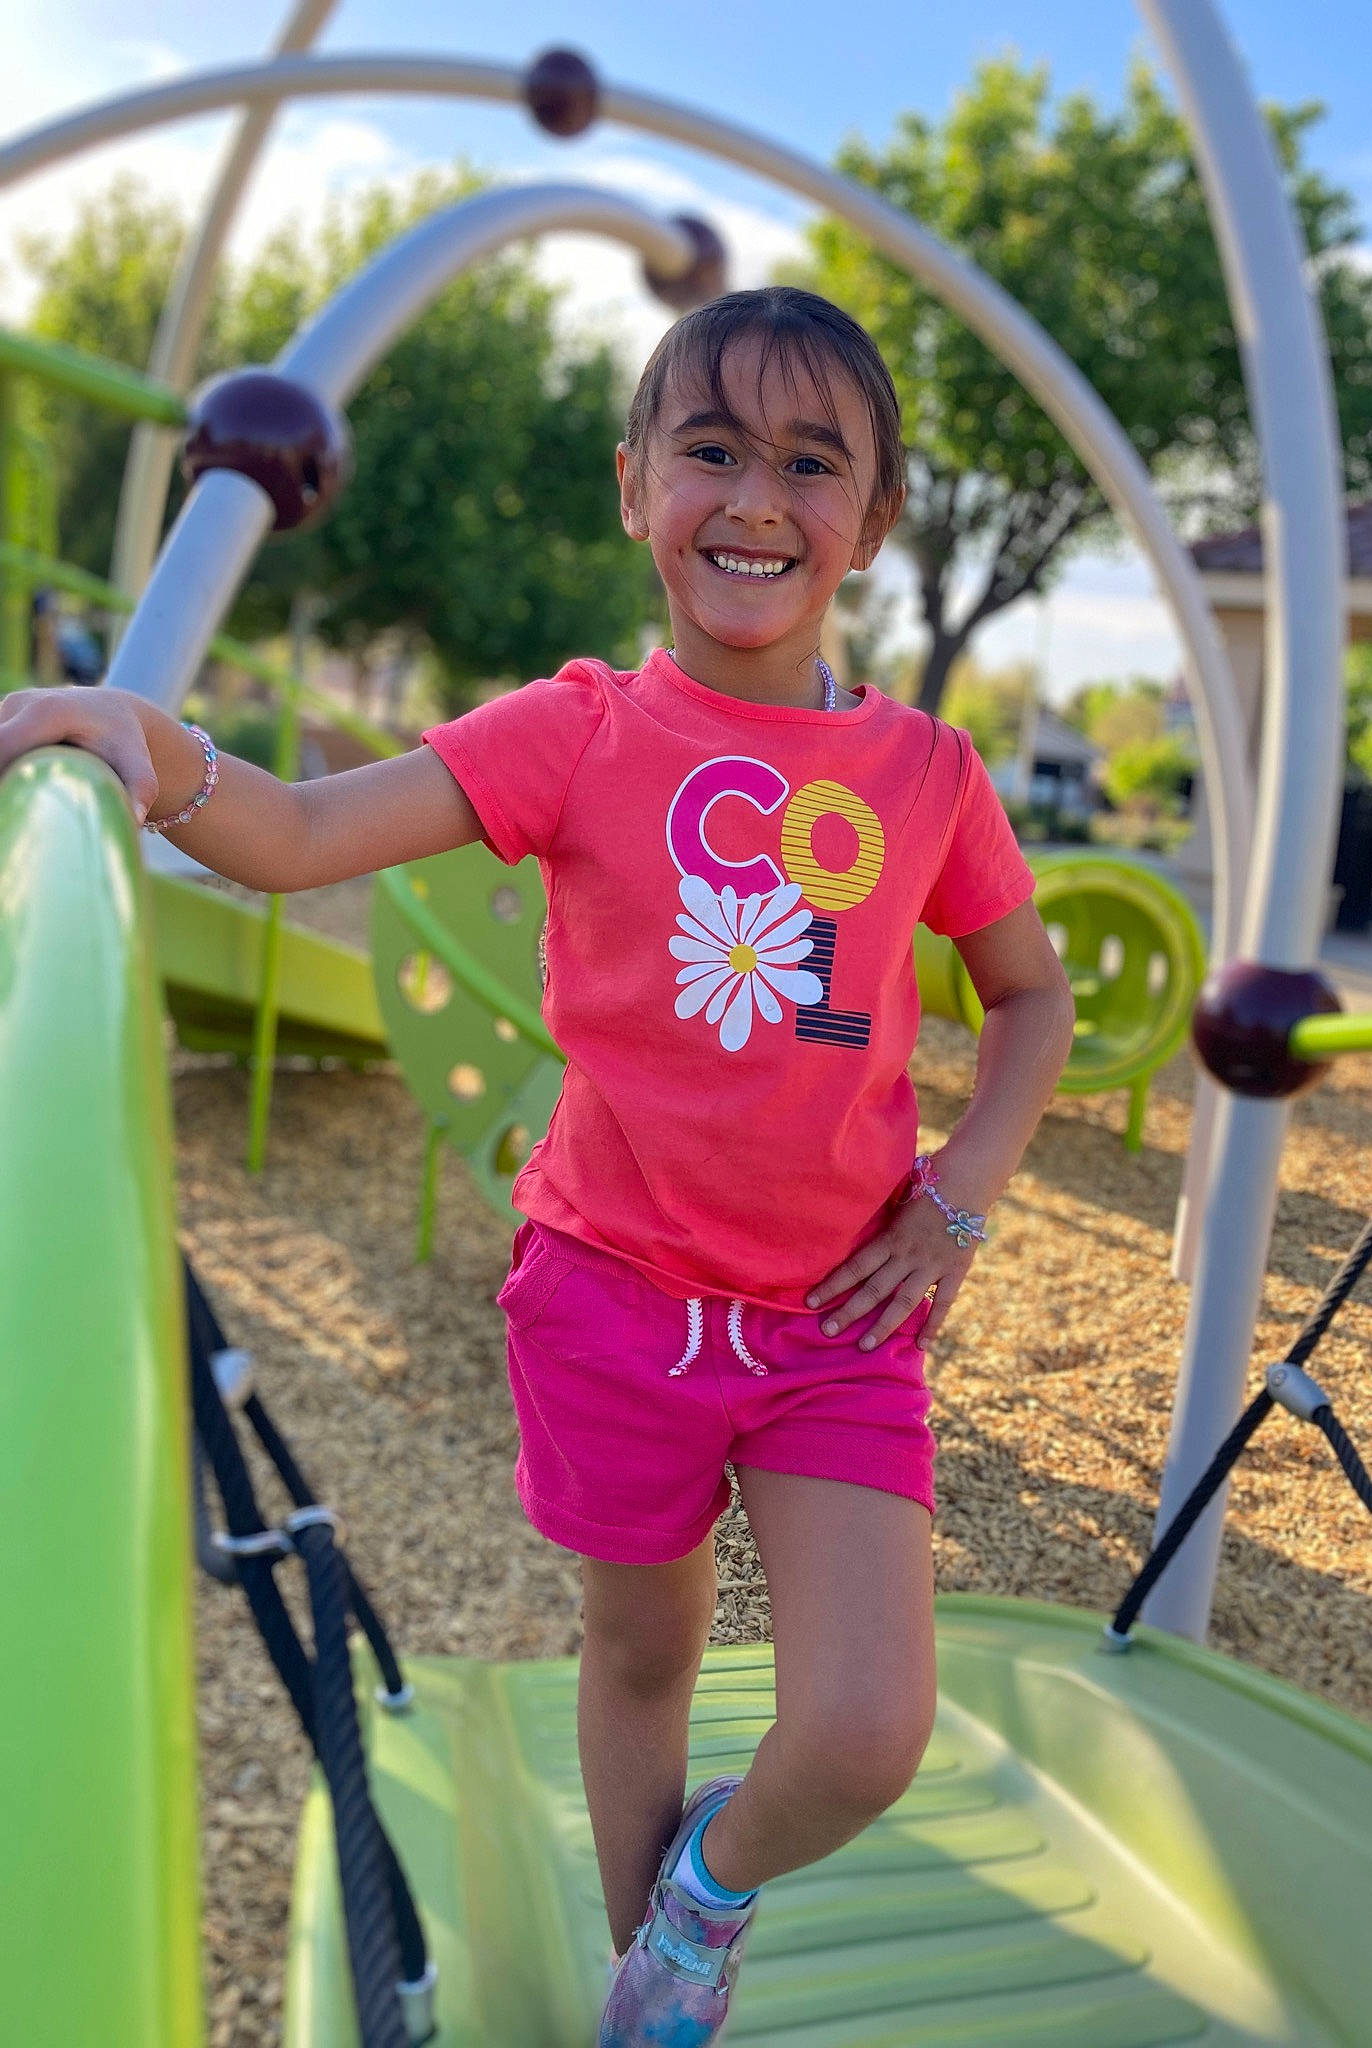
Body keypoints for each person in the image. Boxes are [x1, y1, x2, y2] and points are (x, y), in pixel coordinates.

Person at [0, 285, 1075, 2045]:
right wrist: (142, 739)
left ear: (871, 524)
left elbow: (1031, 999)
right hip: (611, 1303)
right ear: (635, 481)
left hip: (834, 1322)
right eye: (710, 449)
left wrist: (960, 1196)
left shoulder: (928, 773)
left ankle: (710, 1890)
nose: (755, 498)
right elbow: (310, 830)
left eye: (813, 464)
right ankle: (648, 1968)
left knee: (865, 1729)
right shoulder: (577, 730)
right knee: (643, 1653)